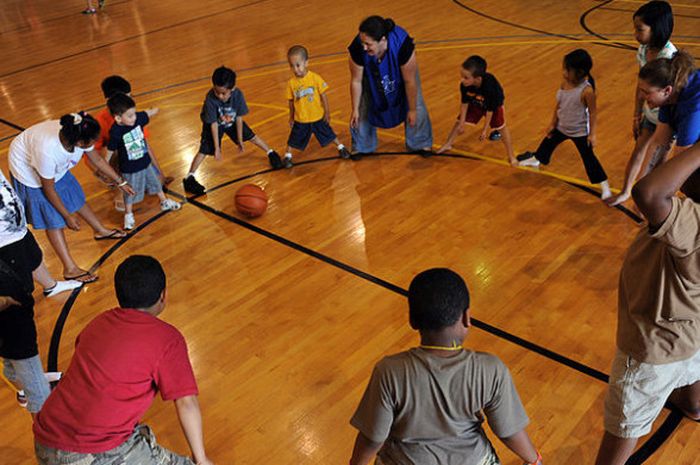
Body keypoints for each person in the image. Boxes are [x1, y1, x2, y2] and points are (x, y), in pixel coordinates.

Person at [349, 268, 542, 465]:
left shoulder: (389, 371)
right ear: (467, 317)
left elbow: (373, 437)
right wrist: (534, 460)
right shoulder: (491, 369)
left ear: (412, 321)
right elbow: (509, 432)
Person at [34, 255, 214, 465]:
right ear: (163, 295)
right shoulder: (167, 339)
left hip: (45, 437)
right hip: (91, 452)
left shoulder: (98, 322)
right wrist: (201, 459)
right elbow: (186, 402)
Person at [593, 143, 700, 465]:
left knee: (625, 427)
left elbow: (650, 193)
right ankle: (693, 404)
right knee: (692, 378)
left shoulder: (692, 223)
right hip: (690, 336)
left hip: (651, 349)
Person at [9, 113, 135, 283]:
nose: (94, 144)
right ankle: (70, 268)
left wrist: (120, 182)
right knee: (53, 219)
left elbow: (96, 159)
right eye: (92, 142)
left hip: (50, 163)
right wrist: (67, 216)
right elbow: (49, 190)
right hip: (28, 167)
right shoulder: (47, 151)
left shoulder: (79, 131)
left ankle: (100, 230)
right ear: (79, 143)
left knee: (73, 194)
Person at [0, 168, 77, 416]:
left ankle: (22, 378)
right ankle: (50, 434)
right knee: (22, 344)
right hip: (4, 263)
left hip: (16, 241)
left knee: (17, 339)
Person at [606, 1, 676, 207]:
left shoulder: (669, 56)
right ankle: (626, 191)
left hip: (668, 119)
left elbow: (671, 97)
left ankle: (652, 201)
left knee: (658, 162)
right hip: (649, 114)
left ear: (657, 29)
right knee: (638, 151)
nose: (635, 34)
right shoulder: (643, 49)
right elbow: (641, 84)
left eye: (640, 29)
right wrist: (636, 114)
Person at [609, 51, 699, 213]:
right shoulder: (670, 97)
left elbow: (682, 159)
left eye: (646, 92)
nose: (642, 97)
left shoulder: (692, 106)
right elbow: (658, 142)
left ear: (666, 90)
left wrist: (653, 203)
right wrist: (640, 191)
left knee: (689, 184)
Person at [518, 49, 612, 199]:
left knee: (589, 158)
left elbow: (593, 113)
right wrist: (552, 122)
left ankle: (604, 184)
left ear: (580, 72)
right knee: (547, 143)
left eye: (567, 70)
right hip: (561, 126)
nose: (564, 72)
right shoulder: (564, 84)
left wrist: (592, 134)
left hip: (579, 131)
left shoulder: (587, 91)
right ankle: (537, 160)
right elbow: (559, 104)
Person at [183, 66, 283, 195]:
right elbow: (213, 124)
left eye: (223, 93)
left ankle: (271, 153)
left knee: (252, 136)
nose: (219, 96)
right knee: (203, 150)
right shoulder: (210, 99)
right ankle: (189, 177)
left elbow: (239, 117)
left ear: (232, 89)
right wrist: (217, 148)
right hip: (214, 125)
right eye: (216, 91)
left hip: (232, 121)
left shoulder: (238, 95)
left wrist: (240, 140)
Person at [348, 15, 433, 157]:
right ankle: (361, 145)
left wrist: (411, 110)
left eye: (368, 44)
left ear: (382, 40)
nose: (364, 47)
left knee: (416, 102)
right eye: (362, 42)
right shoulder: (358, 48)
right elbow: (356, 81)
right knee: (363, 104)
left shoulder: (403, 45)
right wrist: (355, 109)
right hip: (369, 73)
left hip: (403, 73)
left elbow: (410, 81)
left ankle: (420, 142)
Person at [91, 75, 173, 211]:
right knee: (117, 149)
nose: (131, 100)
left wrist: (160, 174)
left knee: (156, 182)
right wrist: (103, 172)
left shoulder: (132, 117)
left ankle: (138, 183)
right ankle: (119, 192)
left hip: (137, 160)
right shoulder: (101, 122)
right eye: (127, 96)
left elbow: (145, 145)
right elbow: (93, 154)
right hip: (119, 165)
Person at [106, 93, 181, 230]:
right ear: (118, 118)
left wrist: (154, 110)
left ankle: (164, 201)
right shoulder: (116, 131)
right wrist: (105, 164)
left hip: (145, 162)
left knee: (156, 183)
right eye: (130, 116)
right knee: (130, 192)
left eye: (134, 113)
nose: (134, 117)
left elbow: (146, 114)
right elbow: (110, 150)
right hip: (129, 168)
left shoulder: (138, 118)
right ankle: (128, 215)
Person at [437, 55, 517, 165]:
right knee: (458, 122)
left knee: (501, 128)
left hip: (492, 106)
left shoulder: (490, 88)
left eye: (466, 77)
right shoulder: (465, 85)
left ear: (478, 78)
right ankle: (448, 143)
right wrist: (461, 123)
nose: (462, 80)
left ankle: (511, 156)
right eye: (462, 76)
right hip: (476, 100)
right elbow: (464, 104)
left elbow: (490, 111)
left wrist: (485, 130)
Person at [282, 45, 352, 168]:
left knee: (329, 133)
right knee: (294, 138)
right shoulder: (291, 84)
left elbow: (323, 96)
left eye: (298, 65)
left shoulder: (315, 78)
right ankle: (288, 155)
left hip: (317, 116)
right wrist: (291, 117)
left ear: (306, 62)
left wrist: (327, 112)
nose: (295, 69)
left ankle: (341, 147)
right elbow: (291, 102)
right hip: (301, 119)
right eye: (292, 66)